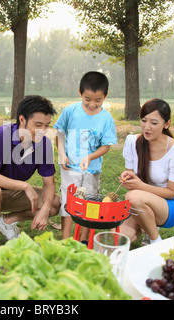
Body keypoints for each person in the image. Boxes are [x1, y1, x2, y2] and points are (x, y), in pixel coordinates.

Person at [0, 95, 61, 252]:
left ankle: (6, 221)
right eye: (38, 125)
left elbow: (49, 183)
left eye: (46, 125)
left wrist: (44, 208)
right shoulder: (1, 135)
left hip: (13, 193)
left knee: (54, 203)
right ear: (22, 120)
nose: (42, 131)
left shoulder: (43, 144)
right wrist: (25, 186)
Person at [54, 71, 118, 240]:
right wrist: (62, 155)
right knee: (68, 203)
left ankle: (83, 239)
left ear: (105, 96)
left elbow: (106, 146)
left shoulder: (106, 118)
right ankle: (66, 239)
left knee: (89, 205)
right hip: (69, 167)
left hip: (92, 170)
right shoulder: (70, 111)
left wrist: (89, 157)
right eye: (87, 99)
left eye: (98, 100)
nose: (92, 104)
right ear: (80, 93)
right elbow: (59, 134)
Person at [119, 98, 174, 244]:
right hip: (140, 202)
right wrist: (128, 177)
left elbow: (171, 192)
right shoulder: (132, 142)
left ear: (166, 124)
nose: (147, 127)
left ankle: (155, 241)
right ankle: (147, 225)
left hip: (170, 205)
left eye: (154, 123)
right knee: (115, 240)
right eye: (144, 120)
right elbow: (132, 178)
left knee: (133, 197)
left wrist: (139, 186)